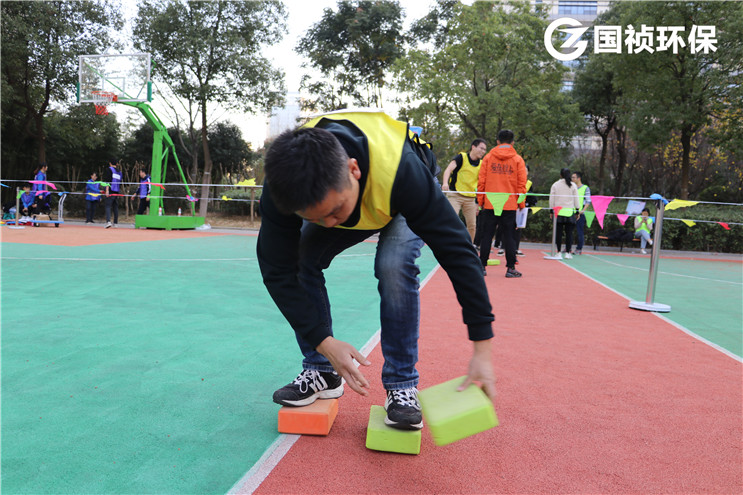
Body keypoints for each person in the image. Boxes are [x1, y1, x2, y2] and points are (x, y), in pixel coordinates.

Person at [257, 110, 495, 431]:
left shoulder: (404, 173)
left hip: (398, 193)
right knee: (301, 259)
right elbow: (277, 270)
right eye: (315, 218)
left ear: (353, 169)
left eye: (334, 211)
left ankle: (402, 385)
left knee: (393, 264)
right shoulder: (283, 185)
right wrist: (323, 341)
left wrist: (482, 345)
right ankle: (322, 370)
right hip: (362, 191)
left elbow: (458, 252)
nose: (329, 225)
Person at [477, 129, 527, 278]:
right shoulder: (518, 160)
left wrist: (481, 201)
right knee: (509, 237)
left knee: (486, 235)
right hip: (509, 204)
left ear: (498, 141)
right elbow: (521, 185)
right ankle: (510, 268)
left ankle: (481, 267)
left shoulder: (488, 158)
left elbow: (481, 181)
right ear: (513, 142)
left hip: (490, 203)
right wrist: (521, 204)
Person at [441, 139, 488, 243]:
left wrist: (478, 202)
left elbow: (482, 184)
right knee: (451, 221)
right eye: (481, 148)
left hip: (470, 198)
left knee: (472, 226)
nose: (483, 151)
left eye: (485, 150)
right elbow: (448, 170)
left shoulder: (482, 164)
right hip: (455, 195)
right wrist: (445, 183)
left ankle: (469, 246)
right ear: (473, 147)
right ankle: (447, 244)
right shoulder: (461, 157)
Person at [548, 168, 579, 259]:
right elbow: (576, 199)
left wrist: (551, 211)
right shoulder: (573, 185)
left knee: (558, 234)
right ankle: (568, 253)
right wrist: (577, 211)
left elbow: (551, 199)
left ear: (560, 175)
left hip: (558, 212)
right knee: (569, 234)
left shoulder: (555, 185)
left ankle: (558, 252)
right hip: (569, 212)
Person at [571, 171, 591, 255]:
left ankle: (579, 249)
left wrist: (582, 211)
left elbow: (588, 201)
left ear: (579, 178)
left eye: (573, 177)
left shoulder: (585, 188)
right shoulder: (571, 187)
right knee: (569, 231)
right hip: (570, 212)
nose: (572, 179)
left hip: (580, 214)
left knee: (579, 232)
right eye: (571, 177)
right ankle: (568, 248)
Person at [102, 158, 121, 228]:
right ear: (117, 164)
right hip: (117, 190)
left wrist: (107, 190)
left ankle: (108, 221)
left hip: (111, 190)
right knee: (115, 206)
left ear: (110, 163)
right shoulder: (119, 172)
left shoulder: (109, 170)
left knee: (108, 206)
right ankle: (115, 223)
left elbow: (108, 180)